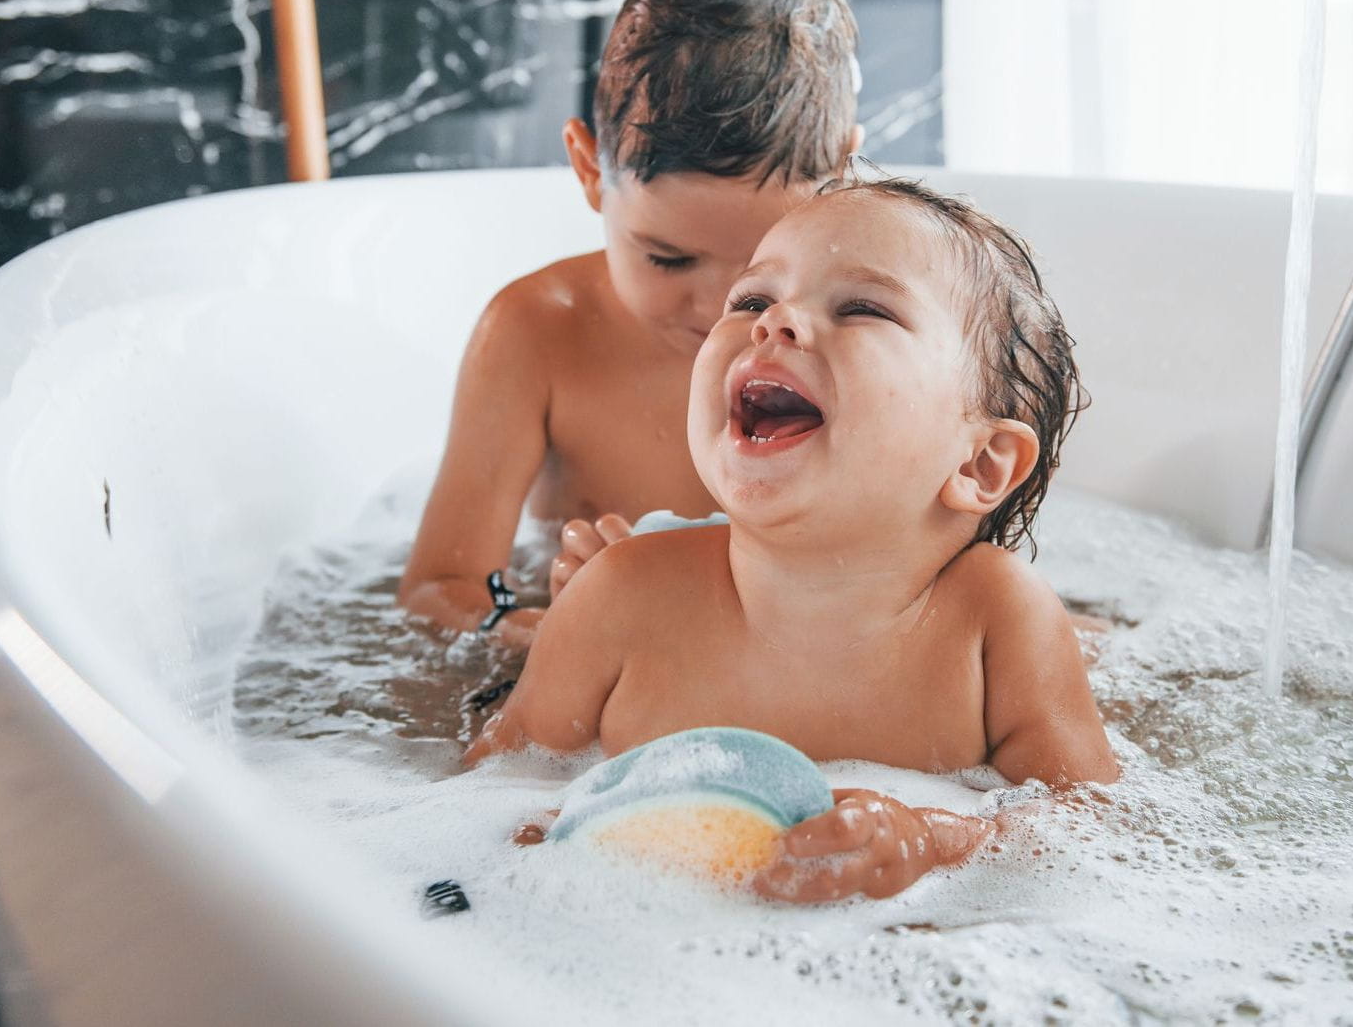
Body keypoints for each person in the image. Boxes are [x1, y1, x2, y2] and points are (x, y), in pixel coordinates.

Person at [465, 176, 1119, 901]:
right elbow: (482, 795)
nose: (772, 324)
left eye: (862, 307)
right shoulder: (622, 596)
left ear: (978, 463)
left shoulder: (994, 621)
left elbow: (1088, 824)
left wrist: (932, 839)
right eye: (751, 300)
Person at [398, 0, 863, 643]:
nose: (718, 310)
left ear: (844, 178)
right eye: (669, 259)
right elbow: (440, 589)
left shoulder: (875, 338)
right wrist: (538, 630)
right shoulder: (537, 334)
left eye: (760, 271)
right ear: (589, 171)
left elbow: (925, 561)